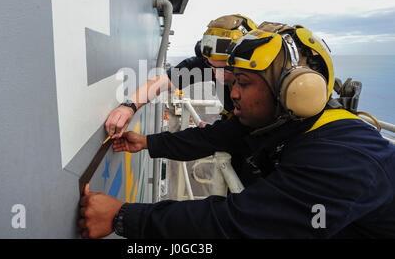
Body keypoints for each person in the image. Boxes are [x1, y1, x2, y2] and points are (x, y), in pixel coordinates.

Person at [79, 23, 395, 238]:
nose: (232, 93)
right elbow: (216, 137)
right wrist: (146, 141)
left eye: (243, 83)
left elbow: (241, 224)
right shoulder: (278, 122)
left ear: (292, 91)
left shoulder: (344, 158)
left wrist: (124, 217)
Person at [104, 14, 258, 138]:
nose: (217, 75)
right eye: (212, 66)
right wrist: (129, 107)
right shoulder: (211, 64)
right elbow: (162, 82)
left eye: (226, 69)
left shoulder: (267, 79)